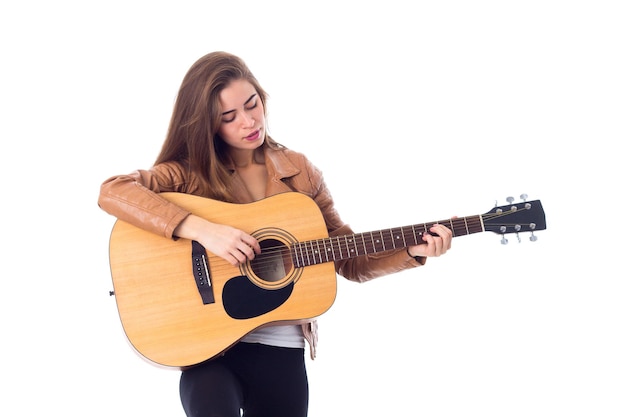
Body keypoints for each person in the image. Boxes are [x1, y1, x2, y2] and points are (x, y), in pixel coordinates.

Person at [98, 51, 453, 417]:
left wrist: (410, 252)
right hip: (208, 345)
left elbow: (348, 259)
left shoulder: (300, 172)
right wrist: (204, 230)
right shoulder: (188, 175)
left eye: (252, 105)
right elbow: (113, 191)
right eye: (228, 117)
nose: (248, 121)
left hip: (281, 349)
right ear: (207, 124)